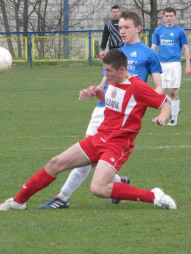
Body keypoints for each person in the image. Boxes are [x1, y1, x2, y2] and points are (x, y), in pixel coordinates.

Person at [0, 49, 176, 211]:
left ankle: (153, 196)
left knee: (98, 188)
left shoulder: (137, 87)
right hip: (99, 138)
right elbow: (115, 103)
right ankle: (18, 201)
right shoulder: (114, 81)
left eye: (109, 71)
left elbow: (165, 103)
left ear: (122, 69)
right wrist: (97, 94)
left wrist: (162, 117)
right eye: (105, 70)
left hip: (117, 145)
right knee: (55, 163)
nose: (106, 74)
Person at [37, 11, 164, 209]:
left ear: (138, 28)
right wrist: (94, 91)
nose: (121, 31)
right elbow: (104, 82)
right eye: (120, 27)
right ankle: (117, 184)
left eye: (126, 27)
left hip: (124, 115)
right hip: (103, 108)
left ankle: (63, 197)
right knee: (91, 156)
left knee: (88, 158)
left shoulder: (149, 53)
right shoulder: (116, 52)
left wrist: (143, 107)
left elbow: (158, 87)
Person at [151, 7, 191, 127]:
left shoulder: (180, 31)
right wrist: (150, 62)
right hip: (161, 65)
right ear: (163, 17)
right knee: (159, 93)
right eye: (166, 16)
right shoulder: (158, 31)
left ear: (175, 17)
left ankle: (173, 119)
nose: (169, 18)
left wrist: (188, 65)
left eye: (171, 16)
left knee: (173, 91)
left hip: (174, 64)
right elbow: (153, 47)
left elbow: (186, 48)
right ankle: (175, 108)